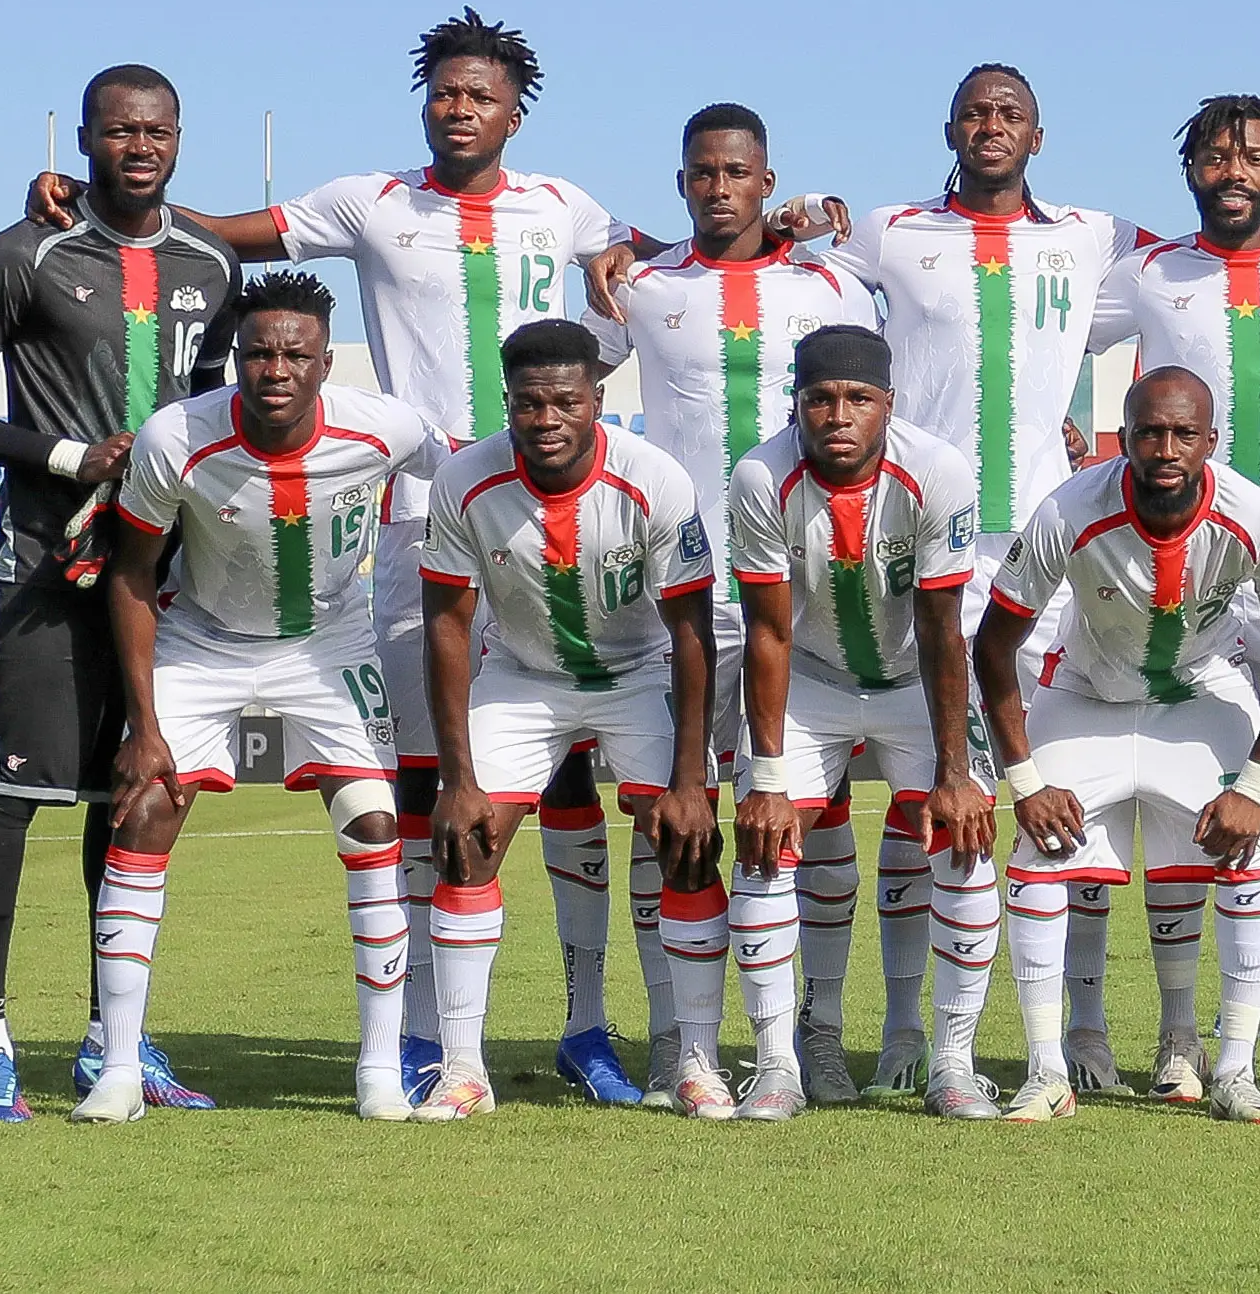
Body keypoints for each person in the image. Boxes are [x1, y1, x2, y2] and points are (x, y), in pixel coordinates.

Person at [25, 12, 661, 1105]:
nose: (459, 109)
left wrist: (771, 223)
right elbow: (217, 236)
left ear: (515, 113)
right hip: (416, 523)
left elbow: (673, 249)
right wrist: (94, 205)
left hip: (539, 509)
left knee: (561, 769)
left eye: (481, 95)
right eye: (444, 92)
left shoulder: (566, 206)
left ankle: (585, 1023)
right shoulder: (370, 201)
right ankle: (413, 1036)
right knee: (423, 778)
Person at [791, 62, 1160, 1099]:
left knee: (1062, 786)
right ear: (948, 128)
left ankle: (1081, 1026)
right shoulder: (890, 229)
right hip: (921, 541)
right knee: (926, 788)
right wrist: (797, 209)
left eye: (1010, 113)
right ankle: (906, 1028)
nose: (991, 125)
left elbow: (1211, 250)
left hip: (1049, 548)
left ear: (1039, 136)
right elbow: (789, 246)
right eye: (974, 112)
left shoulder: (1091, 234)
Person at [0, 64, 238, 1120]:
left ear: (180, 139)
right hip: (50, 562)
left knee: (132, 791)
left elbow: (216, 409)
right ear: (84, 141)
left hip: (166, 574)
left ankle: (113, 1040)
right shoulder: (24, 253)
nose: (140, 147)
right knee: (13, 792)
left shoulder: (212, 264)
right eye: (119, 130)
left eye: (158, 131)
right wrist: (66, 457)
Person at [70, 271, 448, 1122]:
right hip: (201, 639)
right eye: (258, 353)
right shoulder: (177, 438)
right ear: (236, 357)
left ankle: (378, 1072)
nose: (275, 369)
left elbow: (462, 471)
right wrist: (144, 725)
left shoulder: (383, 427)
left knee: (374, 825)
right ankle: (118, 1069)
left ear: (325, 363)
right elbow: (130, 573)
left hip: (329, 643)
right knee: (144, 811)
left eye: (295, 355)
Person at [586, 104, 880, 1104]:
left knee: (814, 814)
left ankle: (816, 1034)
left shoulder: (832, 284)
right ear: (681, 184)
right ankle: (678, 1035)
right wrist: (614, 258)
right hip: (681, 592)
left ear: (767, 181)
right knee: (669, 813)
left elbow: (876, 399)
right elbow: (569, 381)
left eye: (737, 172)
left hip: (806, 593)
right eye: (703, 173)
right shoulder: (643, 287)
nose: (719, 188)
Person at [1087, 96, 1260, 1105]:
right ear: (1189, 168)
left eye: (1251, 155)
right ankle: (1174, 1032)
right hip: (1178, 552)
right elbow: (1042, 330)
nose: (1231, 169)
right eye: (1213, 154)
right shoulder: (1148, 273)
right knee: (1174, 785)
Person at [976, 366, 1260, 1123]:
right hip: (1085, 695)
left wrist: (1254, 786)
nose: (1165, 449)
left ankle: (1233, 1071)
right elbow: (993, 645)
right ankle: (1046, 1071)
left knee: (1245, 850)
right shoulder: (1068, 510)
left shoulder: (1256, 517)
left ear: (1211, 440)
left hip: (1200, 694)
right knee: (1038, 852)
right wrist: (1024, 781)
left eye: (1182, 434)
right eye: (1148, 433)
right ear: (1124, 437)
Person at [413, 319, 720, 1120]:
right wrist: (457, 778)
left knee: (687, 843)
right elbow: (447, 626)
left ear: (597, 398)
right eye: (528, 404)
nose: (546, 420)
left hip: (637, 672)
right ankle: (462, 1070)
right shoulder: (463, 481)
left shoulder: (654, 479)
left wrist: (690, 781)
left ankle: (692, 1059)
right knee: (468, 840)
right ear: (507, 401)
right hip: (523, 679)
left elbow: (692, 630)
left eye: (564, 403)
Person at [726, 325, 999, 1119]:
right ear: (796, 404)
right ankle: (777, 1065)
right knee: (765, 847)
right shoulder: (759, 476)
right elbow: (767, 633)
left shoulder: (936, 470)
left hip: (916, 681)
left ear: (889, 404)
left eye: (858, 399)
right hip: (808, 681)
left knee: (963, 839)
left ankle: (952, 1063)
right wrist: (767, 779)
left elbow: (944, 630)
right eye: (819, 399)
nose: (838, 415)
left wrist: (954, 773)